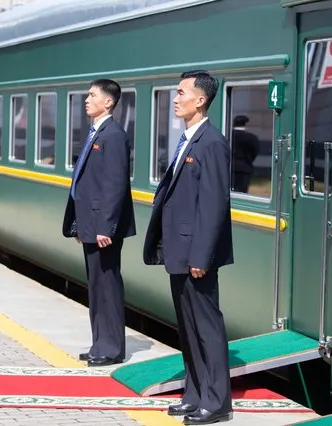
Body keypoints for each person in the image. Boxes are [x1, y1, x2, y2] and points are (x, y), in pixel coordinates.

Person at [143, 70, 234, 425]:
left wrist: (201, 256)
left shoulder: (211, 142)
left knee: (207, 327)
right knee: (188, 327)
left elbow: (213, 205)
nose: (175, 98)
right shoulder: (187, 140)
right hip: (179, 252)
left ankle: (217, 402)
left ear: (201, 100)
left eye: (181, 92)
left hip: (197, 256)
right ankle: (195, 393)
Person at [62, 79, 136, 367]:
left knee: (107, 285)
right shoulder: (96, 132)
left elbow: (115, 185)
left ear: (109, 102)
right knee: (96, 285)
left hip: (104, 226)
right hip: (91, 222)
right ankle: (99, 344)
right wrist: (81, 224)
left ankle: (111, 348)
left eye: (92, 95)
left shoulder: (113, 135)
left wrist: (107, 226)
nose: (86, 99)